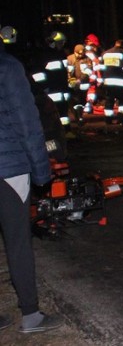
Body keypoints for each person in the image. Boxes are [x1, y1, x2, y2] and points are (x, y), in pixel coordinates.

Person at [0, 39, 63, 333]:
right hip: (8, 169)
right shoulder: (8, 67)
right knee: (18, 243)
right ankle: (30, 315)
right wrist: (41, 172)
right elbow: (28, 123)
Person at [30, 31, 72, 131]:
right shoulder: (44, 56)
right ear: (53, 43)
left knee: (63, 114)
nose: (61, 45)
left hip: (61, 91)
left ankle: (66, 132)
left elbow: (63, 73)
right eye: (60, 42)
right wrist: (44, 88)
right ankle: (57, 132)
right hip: (52, 92)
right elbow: (38, 75)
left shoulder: (61, 55)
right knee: (53, 115)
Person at [100, 39, 123, 125]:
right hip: (120, 82)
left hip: (108, 82)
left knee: (109, 101)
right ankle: (121, 120)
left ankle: (108, 120)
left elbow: (101, 68)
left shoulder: (105, 53)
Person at [67, 44, 94, 117]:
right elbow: (67, 71)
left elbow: (88, 71)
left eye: (82, 54)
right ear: (74, 52)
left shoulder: (87, 59)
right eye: (78, 54)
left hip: (83, 84)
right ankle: (77, 116)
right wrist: (70, 79)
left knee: (82, 100)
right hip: (72, 84)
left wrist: (80, 80)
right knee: (74, 100)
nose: (80, 55)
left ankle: (79, 114)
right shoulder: (69, 59)